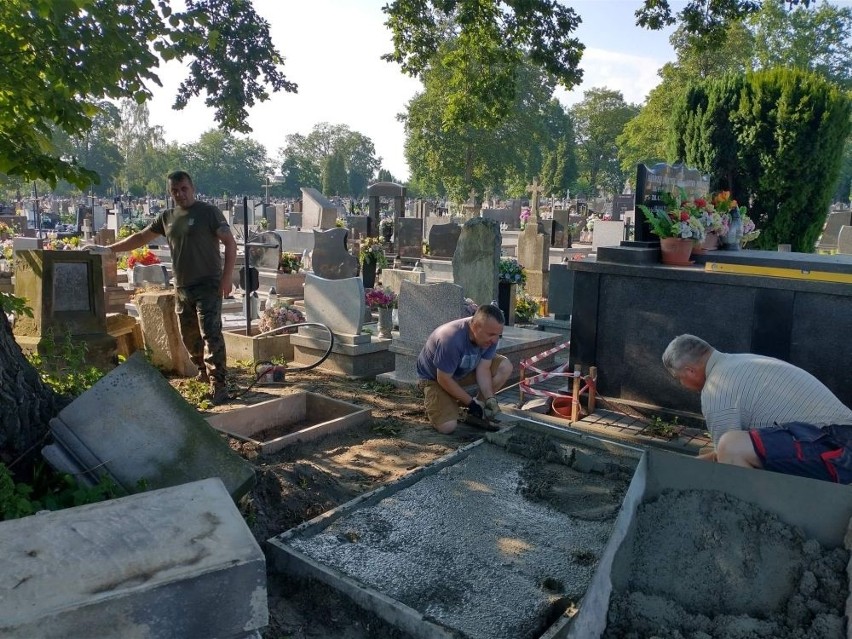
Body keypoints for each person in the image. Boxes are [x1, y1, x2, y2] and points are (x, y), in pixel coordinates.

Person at [95, 171, 237, 404]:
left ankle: (219, 384)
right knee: (189, 335)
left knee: (211, 334)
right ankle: (202, 371)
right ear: (170, 193)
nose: (180, 194)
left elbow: (230, 244)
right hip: (182, 286)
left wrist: (226, 277)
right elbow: (141, 237)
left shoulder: (208, 212)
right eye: (174, 191)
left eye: (184, 189)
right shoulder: (167, 217)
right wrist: (110, 249)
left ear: (192, 188)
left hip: (207, 284)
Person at [662, 334, 852, 483]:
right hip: (835, 439)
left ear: (690, 371)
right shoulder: (739, 362)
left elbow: (725, 461)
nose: (683, 384)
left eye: (680, 379)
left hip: (838, 451)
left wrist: (681, 471)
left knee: (731, 447)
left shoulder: (716, 387)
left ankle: (756, 520)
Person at [416, 304, 513, 434]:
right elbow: (443, 378)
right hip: (435, 379)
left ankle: (478, 409)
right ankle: (443, 404)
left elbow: (484, 369)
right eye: (491, 335)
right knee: (448, 427)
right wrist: (470, 403)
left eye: (498, 335)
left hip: (462, 372)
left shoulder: (489, 337)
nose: (495, 341)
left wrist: (490, 398)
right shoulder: (451, 339)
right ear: (475, 327)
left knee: (505, 366)